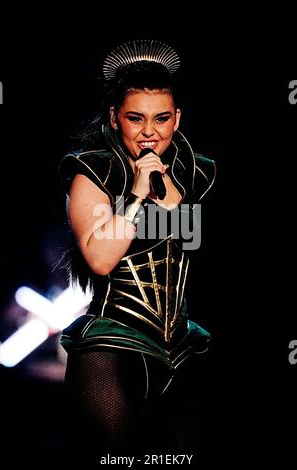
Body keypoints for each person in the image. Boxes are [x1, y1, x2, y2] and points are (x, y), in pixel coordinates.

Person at [58, 39, 216, 453]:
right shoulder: (92, 172)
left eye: (162, 118)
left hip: (183, 347)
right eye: (136, 118)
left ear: (177, 119)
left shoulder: (197, 172)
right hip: (113, 346)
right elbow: (100, 258)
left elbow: (201, 246)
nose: (150, 131)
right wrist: (136, 194)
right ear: (115, 118)